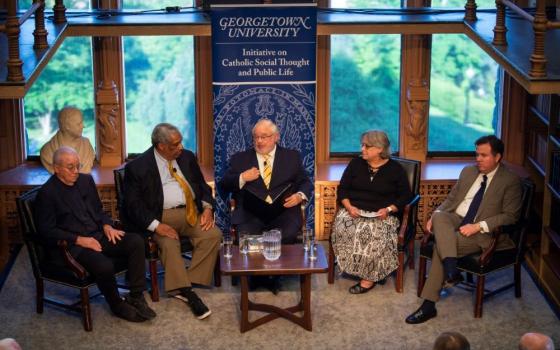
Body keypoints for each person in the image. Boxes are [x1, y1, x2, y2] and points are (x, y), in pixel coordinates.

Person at [406, 135, 523, 324]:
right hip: (456, 219)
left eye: (484, 155)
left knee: (440, 247)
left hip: (482, 232)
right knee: (439, 216)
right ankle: (452, 268)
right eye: (477, 154)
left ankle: (429, 305)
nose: (478, 159)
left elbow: (511, 216)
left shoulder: (510, 180)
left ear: (498, 157)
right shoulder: (468, 171)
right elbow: (451, 200)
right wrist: (436, 214)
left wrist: (478, 226)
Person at [34, 147, 155, 323]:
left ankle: (136, 295)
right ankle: (117, 305)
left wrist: (107, 224)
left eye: (78, 165)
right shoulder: (47, 194)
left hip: (97, 234)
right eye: (70, 167)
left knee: (136, 241)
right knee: (104, 265)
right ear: (56, 168)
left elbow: (98, 210)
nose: (76, 171)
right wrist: (80, 240)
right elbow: (46, 230)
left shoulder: (86, 181)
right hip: (73, 246)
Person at [123, 123, 221, 320]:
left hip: (190, 211)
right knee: (169, 243)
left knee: (213, 234)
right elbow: (133, 206)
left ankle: (186, 283)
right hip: (160, 216)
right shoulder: (137, 167)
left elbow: (201, 186)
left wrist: (208, 208)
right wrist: (157, 226)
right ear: (161, 146)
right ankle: (187, 292)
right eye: (175, 145)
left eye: (181, 142)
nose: (181, 147)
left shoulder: (187, 157)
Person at [331, 130, 412, 294]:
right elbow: (343, 190)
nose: (362, 149)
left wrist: (389, 209)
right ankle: (351, 266)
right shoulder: (355, 164)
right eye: (362, 145)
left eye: (367, 146)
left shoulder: (395, 169)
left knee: (375, 233)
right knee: (343, 228)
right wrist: (349, 207)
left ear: (380, 149)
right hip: (354, 210)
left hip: (382, 214)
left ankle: (369, 278)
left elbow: (405, 196)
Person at [218, 118, 313, 244]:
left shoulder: (291, 157)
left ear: (276, 137)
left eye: (264, 137)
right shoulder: (239, 159)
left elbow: (305, 182)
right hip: (249, 214)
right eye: (256, 137)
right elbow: (224, 184)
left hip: (283, 212)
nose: (259, 141)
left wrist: (299, 196)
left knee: (288, 235)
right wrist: (242, 177)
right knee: (246, 239)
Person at [40, 107, 95, 174]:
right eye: (79, 124)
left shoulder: (87, 145)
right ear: (67, 126)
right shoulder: (47, 151)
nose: (83, 126)